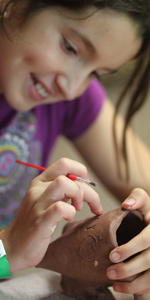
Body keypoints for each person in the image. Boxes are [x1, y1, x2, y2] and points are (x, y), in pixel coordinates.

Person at [0, 0, 150, 295]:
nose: (71, 88)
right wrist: (6, 250)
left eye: (98, 74)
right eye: (70, 47)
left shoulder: (67, 93)